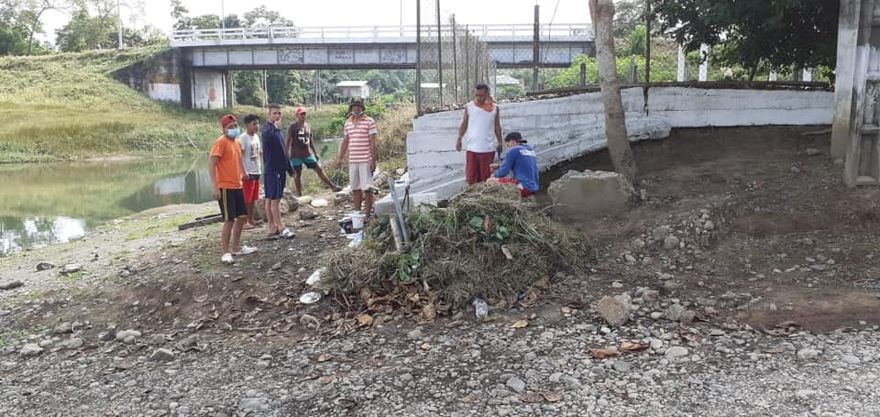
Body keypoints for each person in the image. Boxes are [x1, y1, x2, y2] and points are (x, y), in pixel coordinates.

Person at [209, 114, 257, 264]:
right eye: (231, 127)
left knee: (242, 217)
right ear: (224, 129)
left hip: (238, 185)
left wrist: (244, 173)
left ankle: (236, 248)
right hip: (225, 187)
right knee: (229, 219)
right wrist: (215, 187)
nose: (234, 128)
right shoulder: (220, 142)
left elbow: (239, 159)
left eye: (235, 126)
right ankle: (225, 252)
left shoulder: (236, 142)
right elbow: (211, 164)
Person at [287, 106, 342, 196]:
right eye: (301, 114)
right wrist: (287, 153)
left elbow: (310, 141)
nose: (303, 116)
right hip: (296, 154)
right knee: (297, 174)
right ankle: (300, 194)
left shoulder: (308, 126)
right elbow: (288, 140)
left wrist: (315, 153)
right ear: (297, 115)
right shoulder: (293, 126)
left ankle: (332, 187)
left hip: (307, 154)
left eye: (304, 114)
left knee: (319, 169)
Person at [336, 98, 378, 217]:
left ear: (362, 107)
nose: (356, 108)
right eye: (354, 106)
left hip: (365, 160)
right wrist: (340, 158)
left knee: (367, 188)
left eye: (359, 106)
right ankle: (358, 214)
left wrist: (373, 161)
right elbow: (345, 141)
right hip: (353, 160)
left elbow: (373, 143)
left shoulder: (369, 121)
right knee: (355, 188)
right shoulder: (348, 123)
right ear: (351, 107)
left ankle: (367, 214)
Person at [456, 83, 502, 185]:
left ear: (487, 95)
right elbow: (464, 123)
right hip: (472, 148)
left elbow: (497, 126)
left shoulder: (494, 108)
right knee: (471, 178)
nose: (478, 98)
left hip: (488, 149)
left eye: (481, 95)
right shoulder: (469, 106)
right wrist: (459, 138)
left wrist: (500, 142)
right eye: (476, 95)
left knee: (486, 179)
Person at [260, 103, 295, 238]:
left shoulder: (278, 131)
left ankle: (272, 227)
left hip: (280, 168)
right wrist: (275, 128)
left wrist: (289, 168)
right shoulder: (267, 130)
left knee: (271, 198)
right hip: (272, 169)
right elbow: (268, 138)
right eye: (274, 113)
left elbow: (283, 151)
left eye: (279, 113)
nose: (277, 115)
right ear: (269, 115)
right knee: (274, 199)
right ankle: (280, 226)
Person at [488, 131, 539, 198]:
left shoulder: (514, 150)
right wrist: (498, 166)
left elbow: (503, 172)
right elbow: (521, 165)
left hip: (524, 187)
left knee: (490, 181)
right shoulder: (531, 150)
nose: (509, 148)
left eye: (508, 145)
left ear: (512, 142)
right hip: (534, 187)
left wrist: (494, 175)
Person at [239, 114, 262, 228]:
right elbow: (240, 156)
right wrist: (243, 172)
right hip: (248, 171)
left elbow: (259, 152)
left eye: (257, 124)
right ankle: (245, 222)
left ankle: (251, 219)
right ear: (247, 125)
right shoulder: (243, 138)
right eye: (254, 124)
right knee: (246, 198)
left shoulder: (256, 137)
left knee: (253, 198)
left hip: (256, 170)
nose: (256, 126)